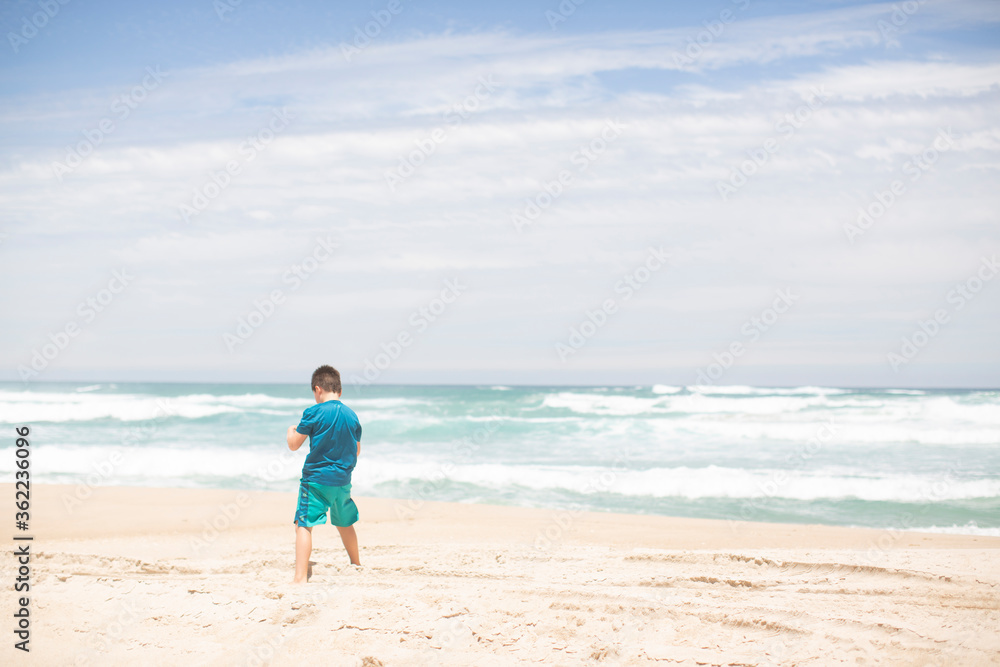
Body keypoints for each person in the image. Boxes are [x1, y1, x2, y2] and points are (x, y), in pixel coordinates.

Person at [286, 365, 362, 583]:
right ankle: (356, 564)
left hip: (316, 481)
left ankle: (300, 577)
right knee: (345, 523)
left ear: (317, 389)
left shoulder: (313, 412)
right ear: (339, 390)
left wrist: (290, 430)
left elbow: (294, 445)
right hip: (342, 481)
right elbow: (356, 450)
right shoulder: (352, 416)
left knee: (304, 524)